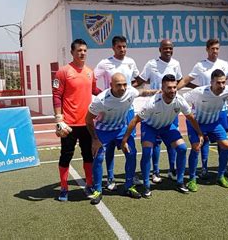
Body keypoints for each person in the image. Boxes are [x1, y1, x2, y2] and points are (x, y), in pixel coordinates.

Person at [122, 74, 203, 197]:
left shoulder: (179, 100)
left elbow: (190, 117)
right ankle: (146, 185)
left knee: (182, 149)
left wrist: (200, 134)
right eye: (169, 88)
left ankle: (180, 182)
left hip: (167, 127)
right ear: (163, 88)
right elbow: (135, 120)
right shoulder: (152, 102)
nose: (173, 90)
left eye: (175, 87)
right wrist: (125, 139)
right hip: (150, 127)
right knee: (147, 151)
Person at [85, 73, 157, 204]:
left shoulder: (130, 92)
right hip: (103, 130)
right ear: (111, 85)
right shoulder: (100, 100)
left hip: (121, 129)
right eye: (119, 85)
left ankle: (129, 186)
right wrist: (95, 140)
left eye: (125, 84)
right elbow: (88, 120)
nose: (123, 88)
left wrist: (158, 92)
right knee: (99, 157)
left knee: (131, 153)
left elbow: (142, 92)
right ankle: (98, 190)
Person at [52, 38, 101, 202]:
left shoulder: (90, 71)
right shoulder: (63, 72)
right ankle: (64, 188)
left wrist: (113, 94)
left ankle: (89, 184)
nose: (82, 53)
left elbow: (95, 90)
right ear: (72, 52)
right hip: (69, 125)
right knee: (66, 156)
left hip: (86, 123)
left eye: (85, 50)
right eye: (79, 50)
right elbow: (57, 96)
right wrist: (59, 119)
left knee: (88, 155)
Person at [177, 38, 228, 179]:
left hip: (220, 109)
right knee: (203, 140)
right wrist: (173, 90)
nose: (215, 51)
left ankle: (222, 169)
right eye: (212, 48)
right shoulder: (200, 65)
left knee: (223, 141)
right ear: (207, 49)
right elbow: (186, 80)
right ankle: (204, 168)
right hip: (202, 106)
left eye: (217, 48)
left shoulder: (224, 64)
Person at [94, 35, 140, 188]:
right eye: (119, 47)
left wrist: (128, 90)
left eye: (124, 46)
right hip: (111, 109)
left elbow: (138, 79)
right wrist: (102, 94)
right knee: (111, 146)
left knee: (129, 146)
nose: (122, 49)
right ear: (113, 48)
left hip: (128, 109)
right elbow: (91, 80)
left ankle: (131, 177)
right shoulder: (105, 63)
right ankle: (110, 177)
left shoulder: (131, 62)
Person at [134, 39, 182, 183]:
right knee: (155, 142)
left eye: (170, 48)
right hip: (155, 108)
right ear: (160, 49)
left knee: (172, 139)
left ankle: (172, 169)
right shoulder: (151, 64)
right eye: (165, 48)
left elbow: (179, 82)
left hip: (171, 108)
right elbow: (141, 80)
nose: (168, 50)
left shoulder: (176, 64)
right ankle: (155, 172)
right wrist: (127, 88)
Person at [184, 69, 228, 191]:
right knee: (196, 147)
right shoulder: (199, 92)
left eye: (223, 82)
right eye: (218, 83)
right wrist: (190, 114)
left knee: (226, 145)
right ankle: (192, 179)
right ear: (211, 82)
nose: (222, 85)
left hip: (214, 123)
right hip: (197, 124)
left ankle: (221, 175)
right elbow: (184, 99)